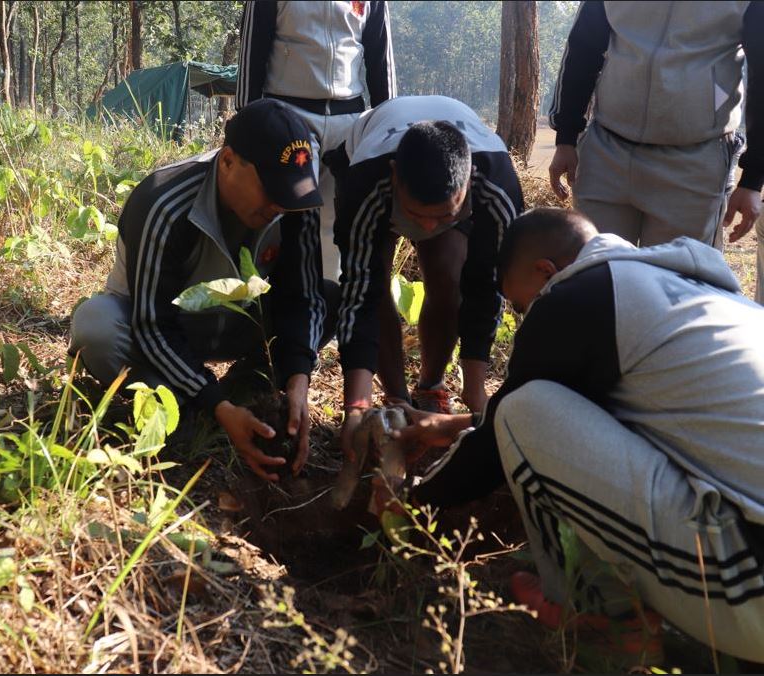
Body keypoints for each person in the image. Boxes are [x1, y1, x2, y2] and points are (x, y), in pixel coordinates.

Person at [397, 208, 764, 663]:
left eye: (521, 305)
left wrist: (407, 506)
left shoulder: (574, 298)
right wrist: (461, 425)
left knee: (520, 411)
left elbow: (500, 438)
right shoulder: (687, 290)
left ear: (546, 273)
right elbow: (609, 413)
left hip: (750, 587)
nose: (526, 315)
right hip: (748, 551)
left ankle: (597, 613)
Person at [70, 99, 332, 482]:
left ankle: (249, 389)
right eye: (271, 189)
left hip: (242, 325)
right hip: (164, 331)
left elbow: (304, 297)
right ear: (227, 161)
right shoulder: (164, 202)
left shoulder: (291, 205)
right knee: (97, 327)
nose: (280, 205)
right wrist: (216, 405)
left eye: (291, 193)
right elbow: (152, 325)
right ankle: (180, 402)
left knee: (332, 299)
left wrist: (297, 381)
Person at [325, 95, 522, 460]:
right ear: (396, 175)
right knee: (376, 285)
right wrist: (355, 407)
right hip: (367, 155)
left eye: (443, 217)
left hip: (451, 178)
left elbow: (485, 286)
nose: (426, 228)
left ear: (468, 184)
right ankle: (397, 400)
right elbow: (359, 295)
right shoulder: (367, 182)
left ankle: (431, 389)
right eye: (417, 215)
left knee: (449, 275)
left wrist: (476, 396)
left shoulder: (497, 187)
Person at [548, 1, 763, 248]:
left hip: (695, 165)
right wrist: (566, 137)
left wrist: (753, 179)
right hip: (606, 154)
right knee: (596, 275)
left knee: (677, 282)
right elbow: (583, 48)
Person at [237, 0, 397, 281]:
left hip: (349, 119)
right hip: (289, 116)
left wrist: (391, 127)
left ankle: (327, 305)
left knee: (336, 221)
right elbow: (253, 47)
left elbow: (379, 56)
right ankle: (269, 302)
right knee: (284, 215)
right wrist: (248, 121)